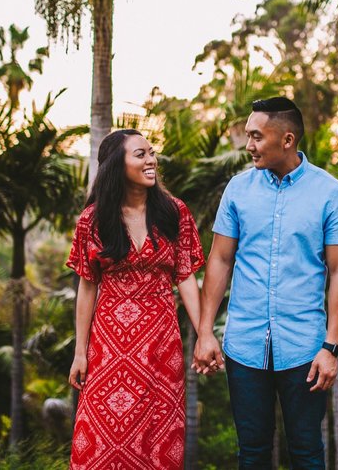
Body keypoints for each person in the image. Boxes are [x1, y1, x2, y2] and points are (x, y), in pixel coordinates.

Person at [194, 97, 338, 469]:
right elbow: (219, 259)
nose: (248, 145)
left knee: (307, 452)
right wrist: (205, 331)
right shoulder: (238, 190)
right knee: (251, 453)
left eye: (256, 136)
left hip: (306, 349)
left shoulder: (331, 193)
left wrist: (331, 347)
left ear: (287, 139)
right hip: (244, 345)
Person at [67, 129, 204, 469]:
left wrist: (205, 334)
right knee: (102, 437)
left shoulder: (175, 212)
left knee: (159, 435)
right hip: (108, 345)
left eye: (151, 152)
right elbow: (87, 287)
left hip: (161, 341)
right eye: (140, 154)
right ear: (117, 165)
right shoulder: (92, 220)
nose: (151, 160)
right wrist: (80, 352)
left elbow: (186, 276)